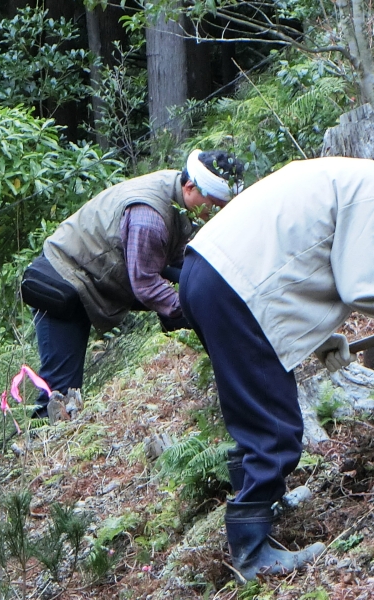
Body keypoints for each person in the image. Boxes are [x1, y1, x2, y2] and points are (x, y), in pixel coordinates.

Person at [178, 144, 374, 581]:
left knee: (252, 411)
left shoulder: (350, 177)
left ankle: (259, 513)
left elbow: (296, 260)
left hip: (210, 275)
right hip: (233, 290)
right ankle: (252, 552)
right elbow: (361, 286)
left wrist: (318, 336)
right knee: (274, 427)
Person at [21, 149, 244, 417]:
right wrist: (194, 309)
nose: (220, 212)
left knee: (197, 288)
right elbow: (147, 284)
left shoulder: (177, 194)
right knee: (59, 389)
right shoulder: (150, 217)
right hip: (65, 279)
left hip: (108, 270)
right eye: (216, 204)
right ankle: (44, 440)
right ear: (190, 187)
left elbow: (183, 258)